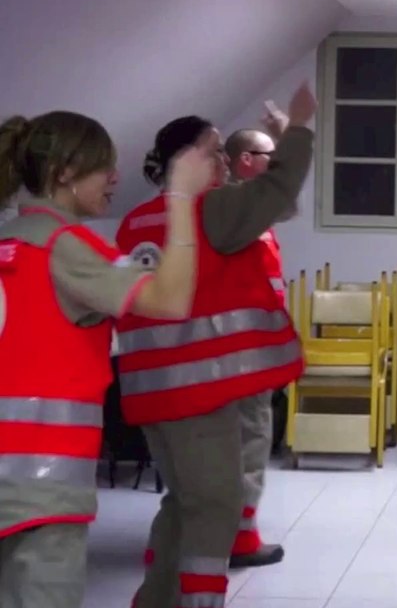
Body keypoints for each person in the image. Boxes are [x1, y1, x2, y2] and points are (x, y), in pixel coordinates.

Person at [114, 84, 316, 608]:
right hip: (200, 392)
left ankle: (154, 599)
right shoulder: (210, 212)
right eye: (213, 150)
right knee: (215, 506)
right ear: (187, 161)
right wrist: (297, 130)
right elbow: (277, 191)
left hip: (153, 394)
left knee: (185, 502)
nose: (224, 161)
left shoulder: (134, 222)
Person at [0, 111, 210, 607]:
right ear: (64, 173)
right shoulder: (67, 246)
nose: (114, 178)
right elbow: (171, 300)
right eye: (103, 167)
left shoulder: (11, 241)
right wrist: (180, 198)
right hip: (44, 487)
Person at [217, 108, 296, 569]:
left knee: (246, 442)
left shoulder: (248, 211)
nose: (276, 164)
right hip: (240, 351)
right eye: (270, 155)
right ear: (246, 159)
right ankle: (238, 539)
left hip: (255, 348)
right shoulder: (237, 209)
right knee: (246, 443)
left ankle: (233, 532)